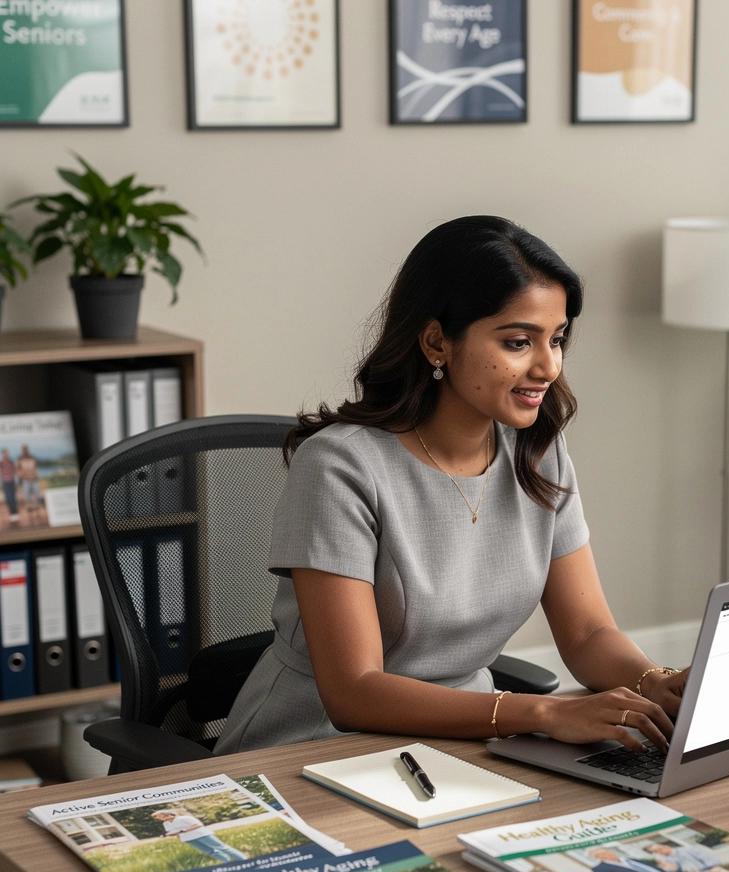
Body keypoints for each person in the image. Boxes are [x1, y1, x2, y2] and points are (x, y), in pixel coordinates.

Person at [214, 216, 687, 756]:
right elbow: (354, 692)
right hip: (314, 747)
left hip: (469, 741)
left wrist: (655, 682)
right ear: (437, 341)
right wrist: (542, 712)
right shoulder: (340, 466)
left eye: (556, 340)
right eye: (518, 342)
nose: (548, 367)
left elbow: (587, 636)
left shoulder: (537, 453)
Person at [150, 808, 249, 864]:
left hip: (202, 835)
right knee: (210, 851)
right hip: (188, 839)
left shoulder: (184, 818)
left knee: (222, 848)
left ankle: (243, 860)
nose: (158, 819)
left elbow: (198, 825)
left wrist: (183, 830)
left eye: (159, 816)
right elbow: (173, 832)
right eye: (157, 818)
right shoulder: (166, 824)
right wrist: (169, 835)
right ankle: (227, 862)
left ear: (167, 814)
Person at [643, 840, 726, 872]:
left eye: (659, 849)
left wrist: (715, 867)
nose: (659, 852)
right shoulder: (667, 861)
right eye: (655, 852)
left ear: (664, 846)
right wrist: (663, 863)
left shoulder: (687, 849)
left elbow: (707, 857)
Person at [0, 448, 17, 521]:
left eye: (7, 453)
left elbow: (15, 471)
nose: (6, 454)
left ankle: (15, 514)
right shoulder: (1, 463)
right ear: (3, 454)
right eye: (5, 453)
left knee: (13, 498)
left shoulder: (11, 462)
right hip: (5, 482)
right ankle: (12, 513)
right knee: (8, 499)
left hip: (12, 482)